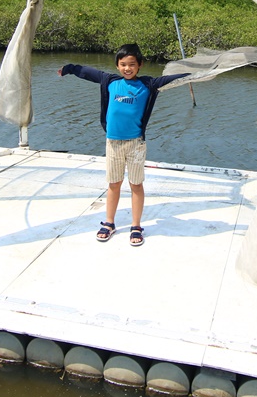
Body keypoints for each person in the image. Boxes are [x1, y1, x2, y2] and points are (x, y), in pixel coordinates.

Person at [58, 43, 188, 247]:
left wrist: (194, 74)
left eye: (132, 64)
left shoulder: (149, 85)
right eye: (123, 64)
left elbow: (173, 79)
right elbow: (87, 72)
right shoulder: (110, 81)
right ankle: (109, 222)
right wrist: (70, 69)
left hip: (136, 144)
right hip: (113, 144)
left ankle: (136, 226)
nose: (127, 68)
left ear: (140, 65)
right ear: (117, 66)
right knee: (114, 184)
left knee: (136, 185)